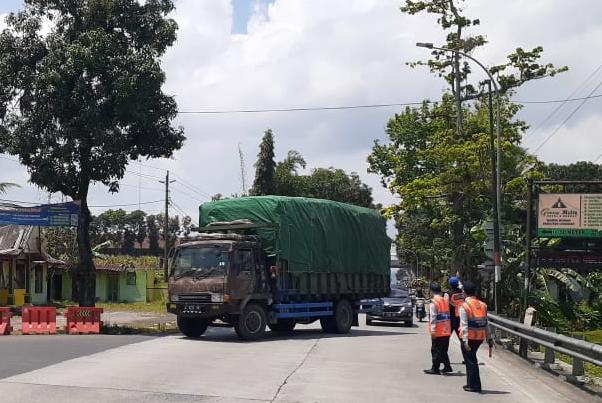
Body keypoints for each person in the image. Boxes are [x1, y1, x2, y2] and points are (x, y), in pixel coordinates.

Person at [459, 281, 494, 393]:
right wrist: (489, 338)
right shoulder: (482, 305)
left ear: (464, 292)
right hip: (479, 338)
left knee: (471, 362)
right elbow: (486, 323)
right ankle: (470, 384)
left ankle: (475, 385)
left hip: (469, 339)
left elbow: (464, 325)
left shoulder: (465, 306)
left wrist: (465, 341)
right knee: (471, 360)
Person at [424, 282, 453, 375]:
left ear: (431, 291)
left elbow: (433, 317)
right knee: (443, 349)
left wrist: (433, 331)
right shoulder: (445, 300)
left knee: (435, 349)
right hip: (447, 328)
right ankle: (447, 366)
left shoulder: (434, 302)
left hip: (438, 330)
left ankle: (435, 368)